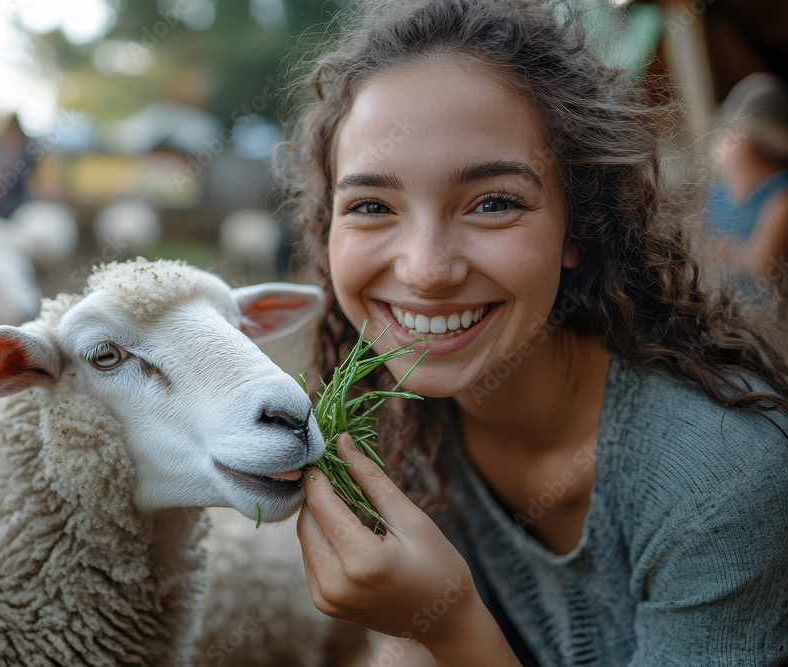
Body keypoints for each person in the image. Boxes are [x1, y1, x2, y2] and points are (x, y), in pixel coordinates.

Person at [278, 0, 788, 664]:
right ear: (328, 233)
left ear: (577, 225)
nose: (427, 270)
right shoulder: (391, 429)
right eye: (372, 205)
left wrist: (451, 624)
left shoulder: (722, 474)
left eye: (494, 202)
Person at [703, 73, 788, 300]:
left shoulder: (780, 196)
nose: (718, 142)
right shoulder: (720, 190)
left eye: (731, 134)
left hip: (766, 319)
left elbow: (763, 266)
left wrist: (722, 252)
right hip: (724, 304)